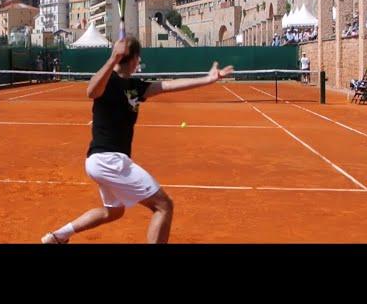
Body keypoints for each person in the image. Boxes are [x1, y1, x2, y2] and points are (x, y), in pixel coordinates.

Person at [41, 37, 234, 244]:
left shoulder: (135, 86)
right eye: (138, 56)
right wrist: (112, 58)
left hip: (103, 161)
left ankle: (58, 236)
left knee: (113, 212)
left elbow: (168, 85)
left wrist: (207, 79)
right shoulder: (108, 81)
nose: (139, 61)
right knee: (163, 205)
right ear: (132, 59)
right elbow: (92, 91)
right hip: (109, 159)